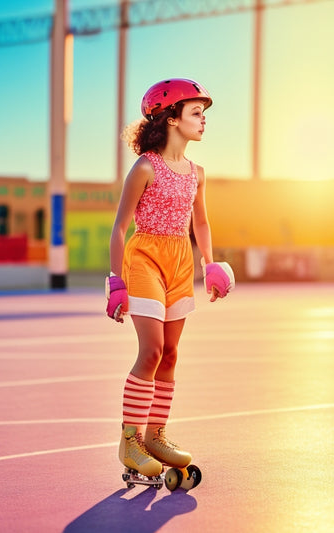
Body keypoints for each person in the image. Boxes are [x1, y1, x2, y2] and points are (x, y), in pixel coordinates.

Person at [106, 78, 235, 478]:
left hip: (180, 260)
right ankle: (130, 441)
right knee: (152, 350)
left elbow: (202, 221)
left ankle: (156, 434)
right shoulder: (145, 166)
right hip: (144, 257)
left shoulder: (197, 173)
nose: (203, 120)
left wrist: (209, 264)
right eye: (196, 112)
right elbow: (120, 226)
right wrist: (116, 281)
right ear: (171, 118)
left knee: (172, 354)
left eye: (204, 114)